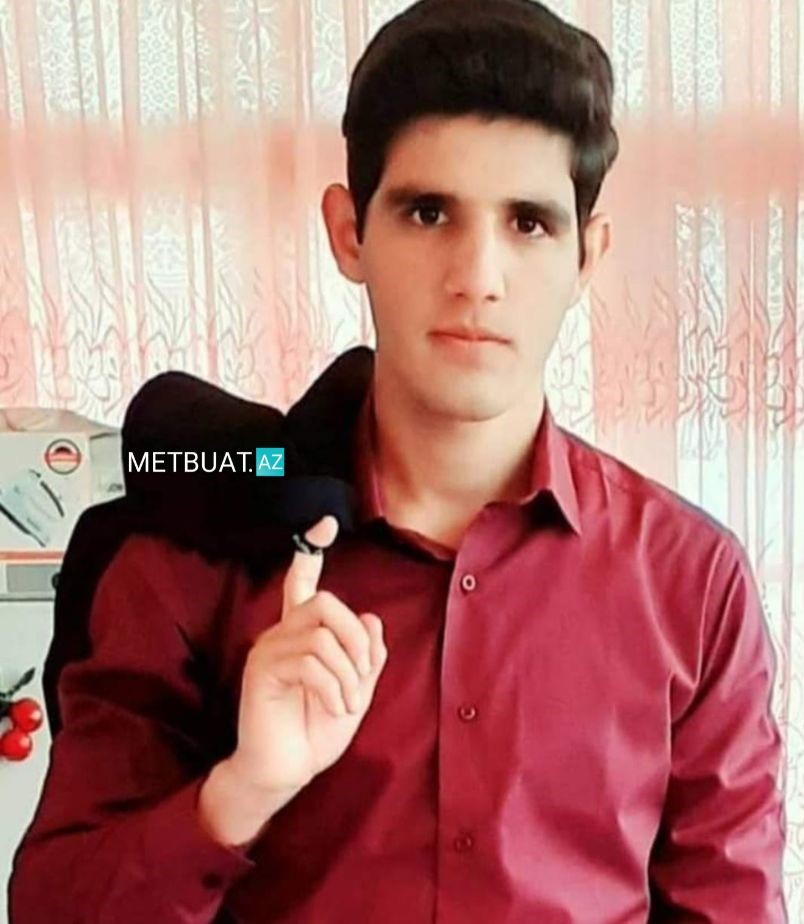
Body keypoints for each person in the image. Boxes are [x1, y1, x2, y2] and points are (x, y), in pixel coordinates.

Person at [9, 1, 787, 922]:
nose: (478, 276)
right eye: (427, 212)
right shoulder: (191, 558)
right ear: (350, 233)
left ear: (589, 256)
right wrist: (240, 794)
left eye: (530, 224)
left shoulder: (692, 585)